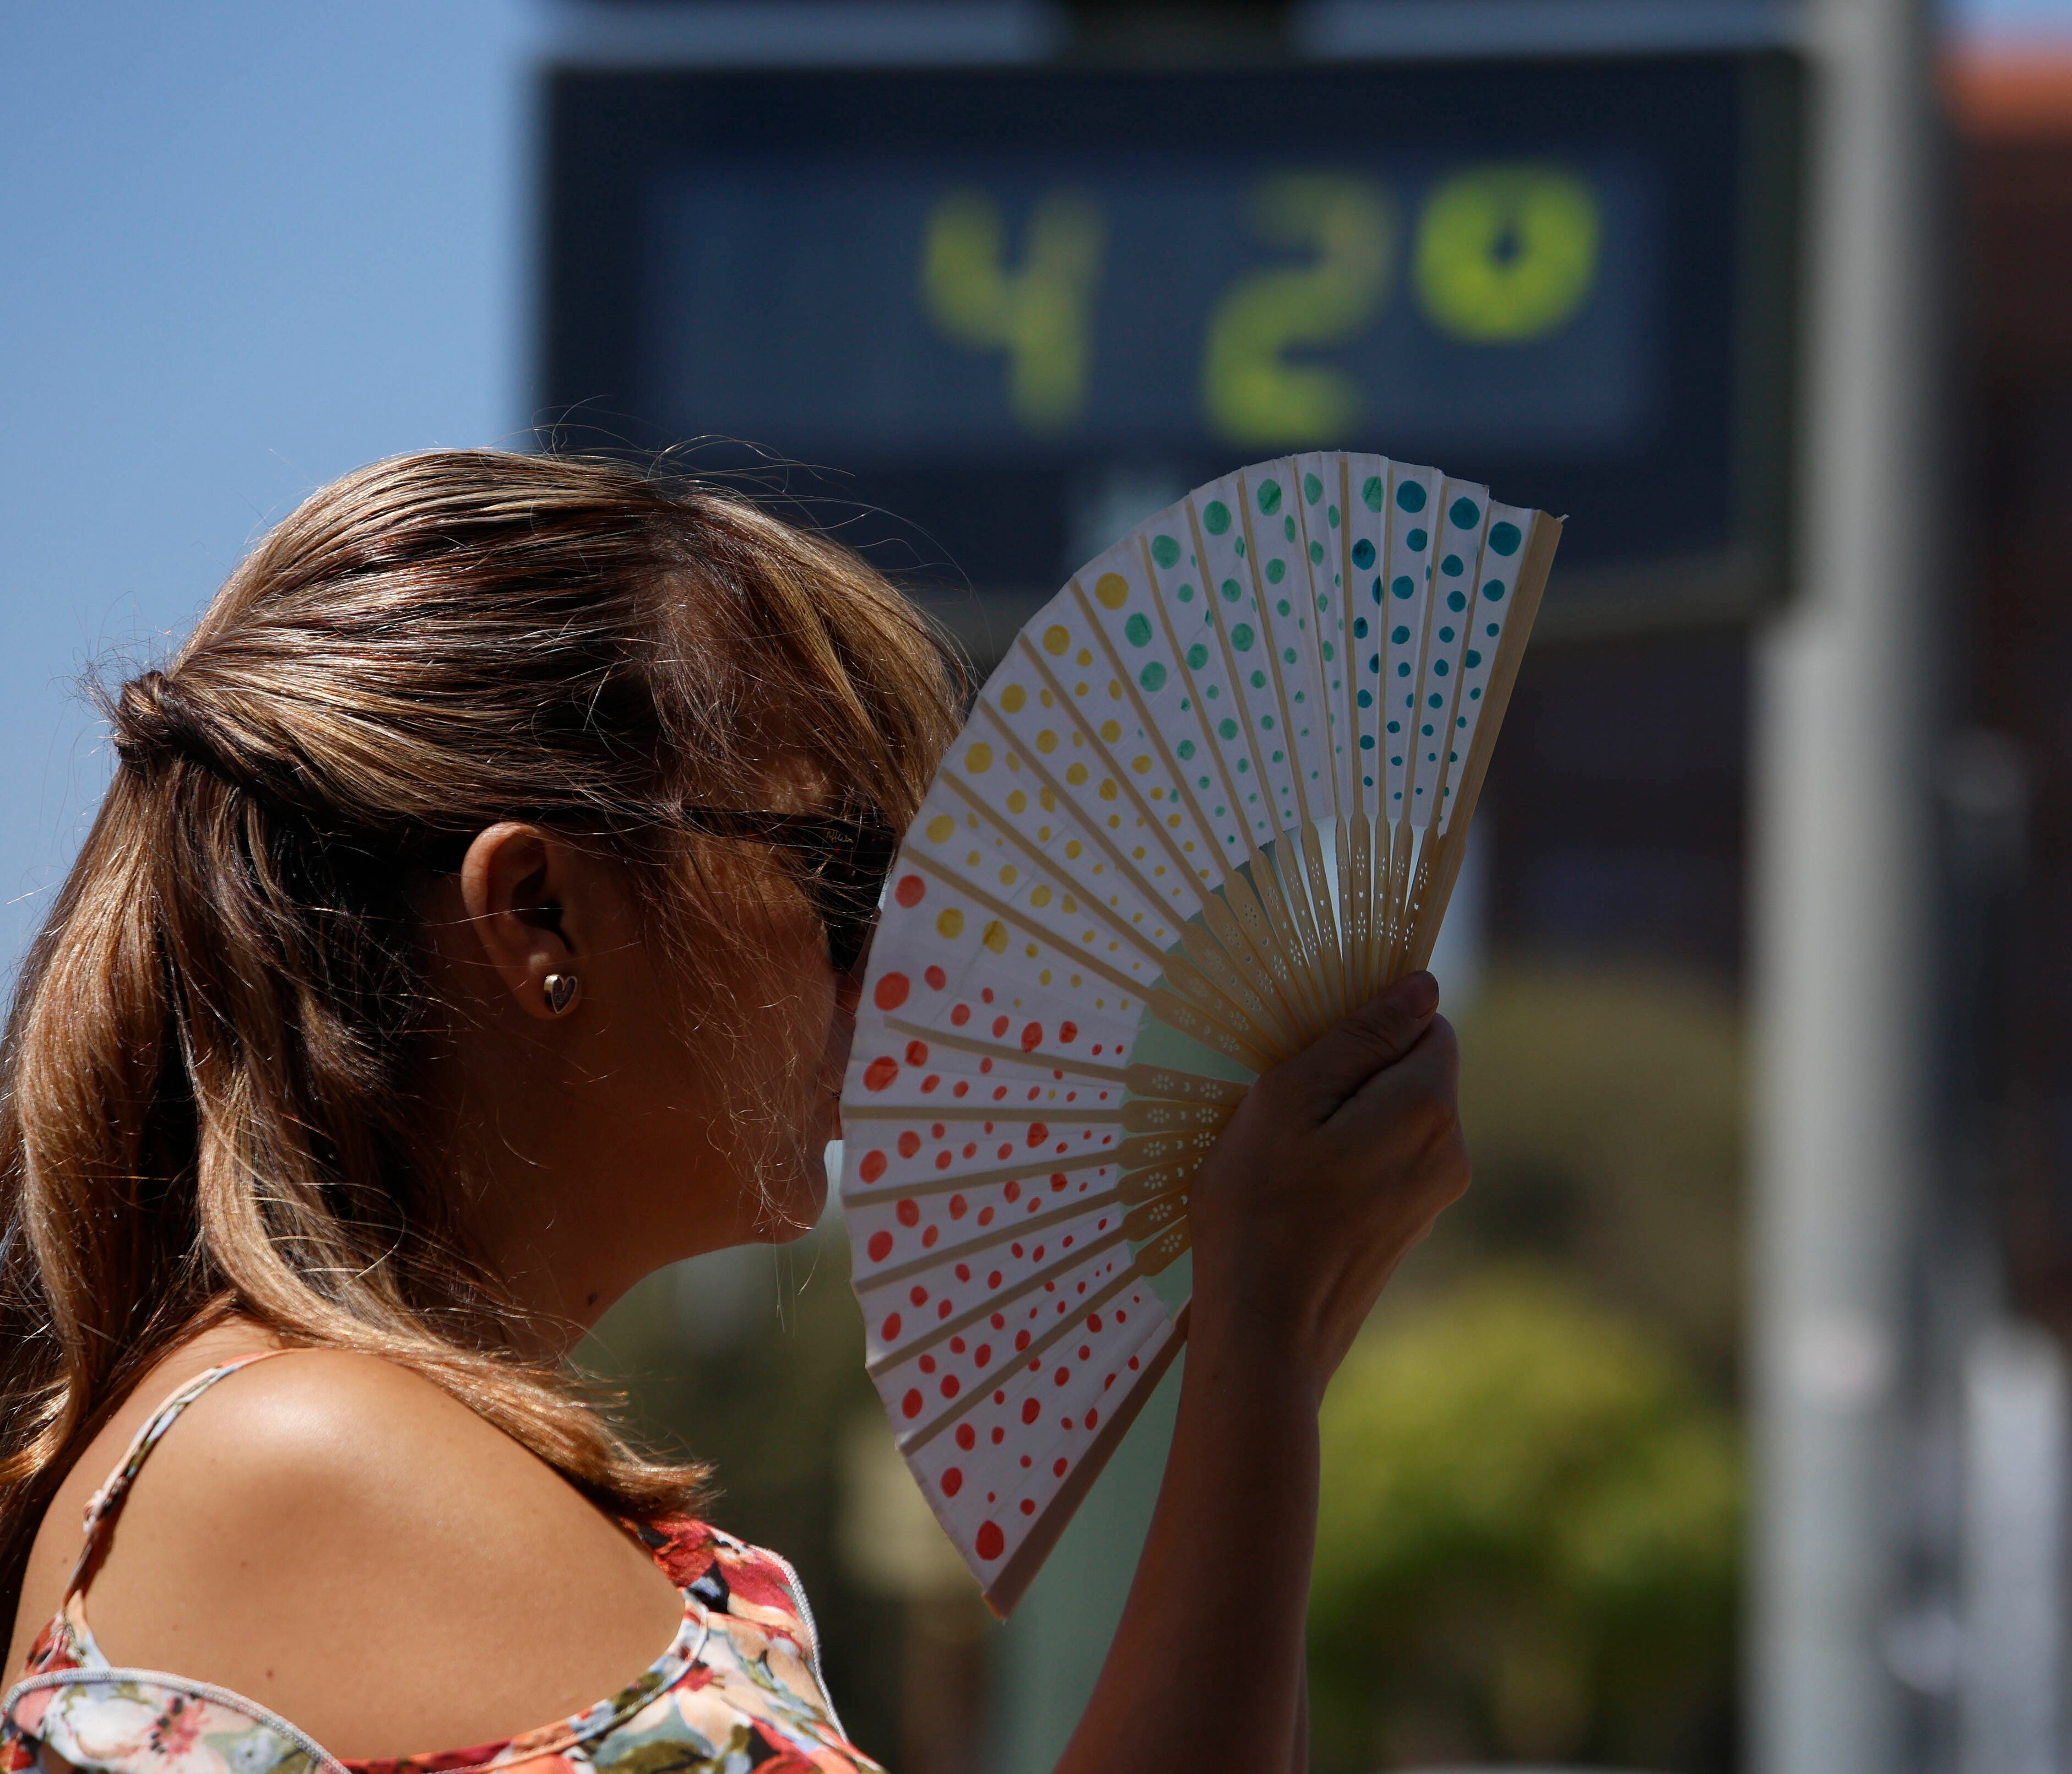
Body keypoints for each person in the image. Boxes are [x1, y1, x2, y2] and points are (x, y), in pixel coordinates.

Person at [0, 451, 1468, 1774]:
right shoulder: (313, 1459)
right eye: (843, 878)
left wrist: (1274, 1329)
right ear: (537, 914)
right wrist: (1263, 1342)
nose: (906, 971)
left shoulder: (307, 1444)